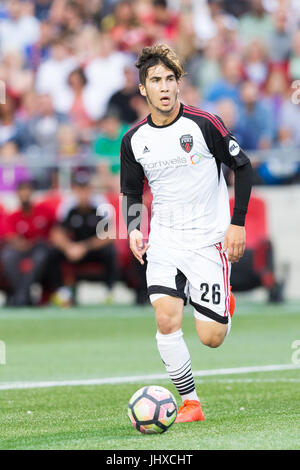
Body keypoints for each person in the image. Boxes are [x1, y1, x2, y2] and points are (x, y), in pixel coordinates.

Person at [120, 44, 252, 423]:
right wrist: (132, 229)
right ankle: (190, 402)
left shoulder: (204, 124)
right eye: (155, 80)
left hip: (207, 240)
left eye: (170, 79)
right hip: (164, 241)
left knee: (211, 338)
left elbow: (242, 168)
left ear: (179, 84)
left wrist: (237, 223)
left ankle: (221, 302)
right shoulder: (133, 140)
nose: (164, 87)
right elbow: (131, 190)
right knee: (166, 319)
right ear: (143, 89)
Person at [50, 169, 117, 304]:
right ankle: (61, 292)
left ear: (90, 189)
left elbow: (111, 234)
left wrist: (85, 246)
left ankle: (109, 290)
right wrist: (69, 247)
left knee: (110, 251)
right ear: (75, 190)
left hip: (93, 248)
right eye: (79, 189)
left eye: (85, 188)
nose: (83, 193)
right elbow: (56, 233)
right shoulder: (68, 206)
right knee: (52, 252)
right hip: (73, 249)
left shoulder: (101, 204)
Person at [1, 179, 55, 306]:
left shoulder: (44, 211)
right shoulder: (13, 216)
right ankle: (24, 295)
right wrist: (24, 244)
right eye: (22, 191)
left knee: (41, 256)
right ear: (17, 194)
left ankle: (20, 296)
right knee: (8, 256)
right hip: (21, 249)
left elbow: (55, 231)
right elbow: (10, 237)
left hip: (39, 249)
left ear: (32, 192)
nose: (25, 194)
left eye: (27, 190)